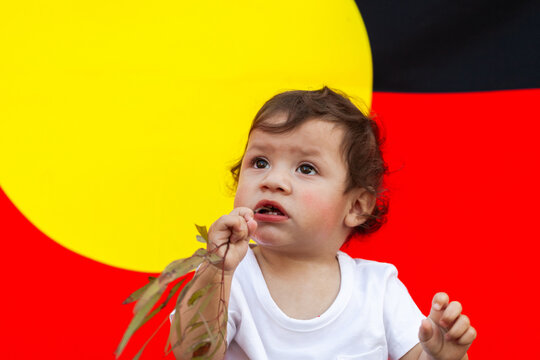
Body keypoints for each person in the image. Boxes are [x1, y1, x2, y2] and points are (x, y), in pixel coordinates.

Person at [171, 87, 476, 360]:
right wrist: (216, 268)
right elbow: (192, 353)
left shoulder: (378, 288)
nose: (273, 181)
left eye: (306, 168)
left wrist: (441, 357)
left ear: (356, 206)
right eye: (260, 162)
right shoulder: (229, 276)